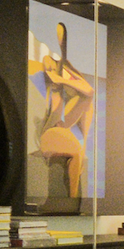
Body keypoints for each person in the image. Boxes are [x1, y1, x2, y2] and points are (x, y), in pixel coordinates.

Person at [34, 20, 96, 200]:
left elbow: (89, 92)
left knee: (87, 102)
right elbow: (86, 93)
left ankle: (74, 199)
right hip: (51, 131)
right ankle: (74, 199)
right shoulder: (51, 72)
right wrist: (60, 81)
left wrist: (63, 81)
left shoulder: (66, 70)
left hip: (62, 126)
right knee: (85, 100)